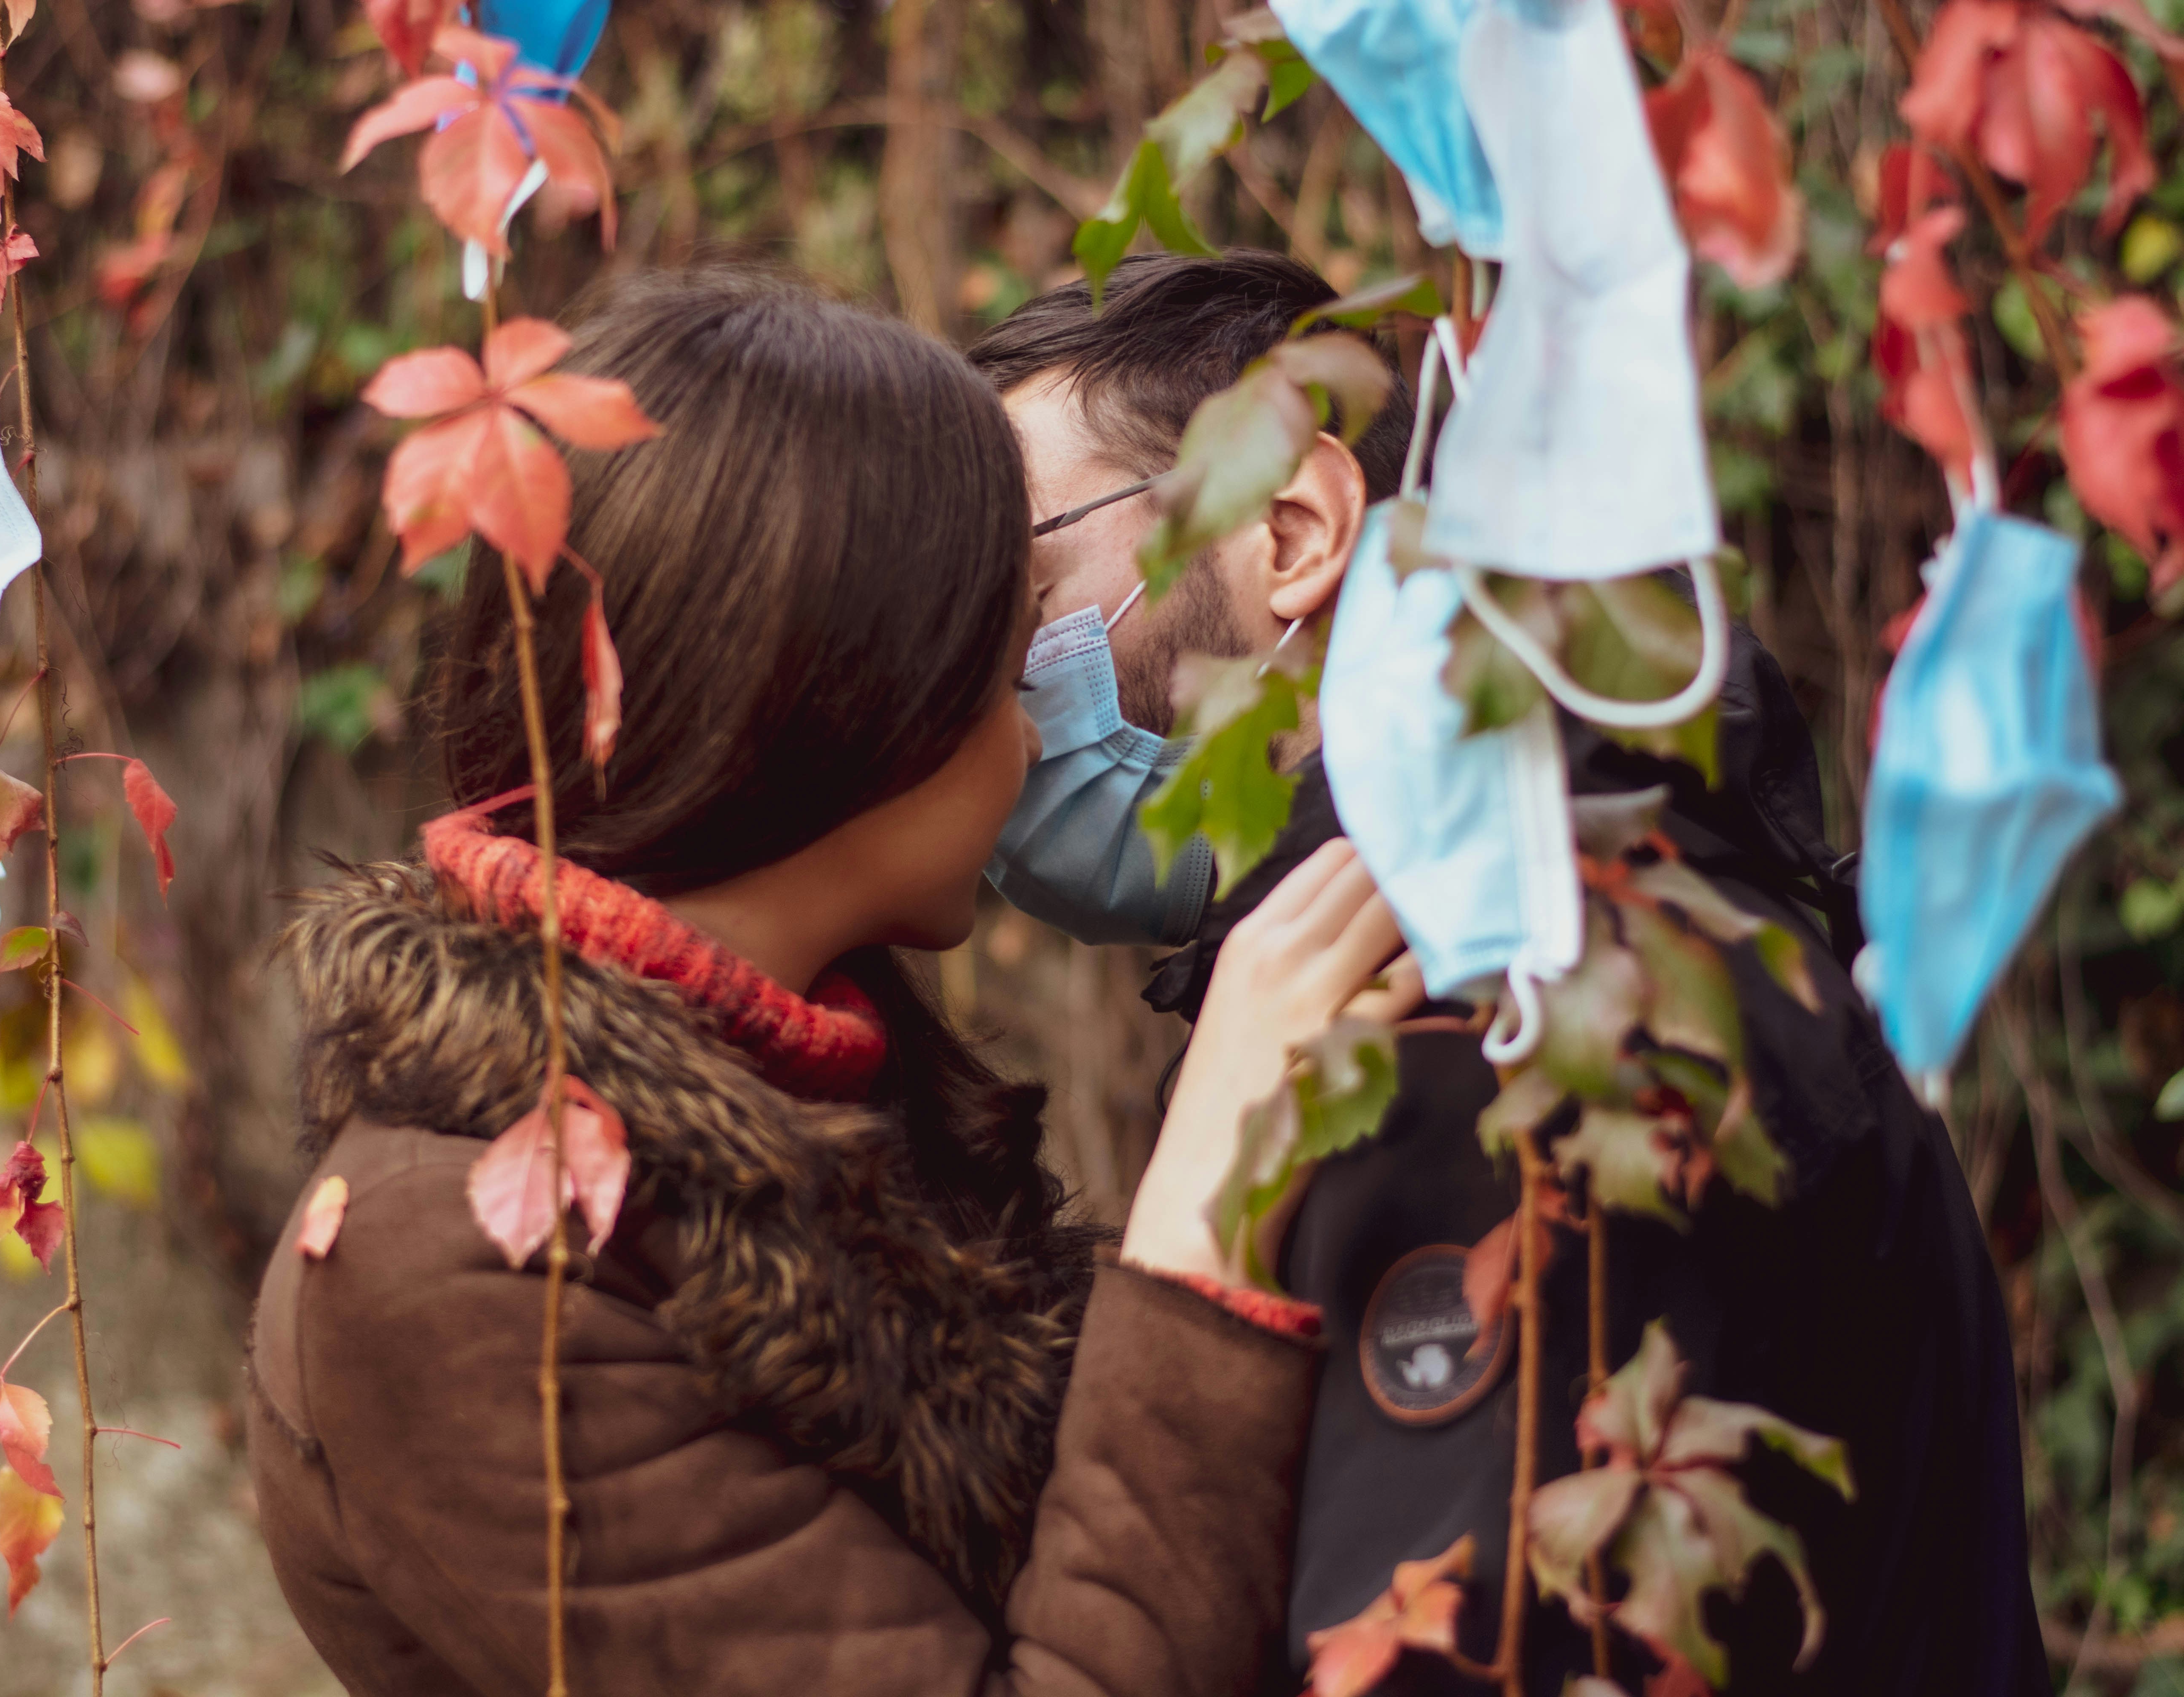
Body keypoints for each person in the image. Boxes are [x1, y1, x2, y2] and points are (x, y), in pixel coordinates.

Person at [244, 270, 1421, 1697]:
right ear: (848, 704)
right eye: (1007, 673)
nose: (1036, 745)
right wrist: (1199, 1231)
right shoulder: (468, 1264)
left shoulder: (837, 1100)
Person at [969, 249, 2049, 1696]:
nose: (997, 688)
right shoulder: (1594, 900)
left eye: (1026, 585)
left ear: (1291, 530)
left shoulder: (1486, 1016)